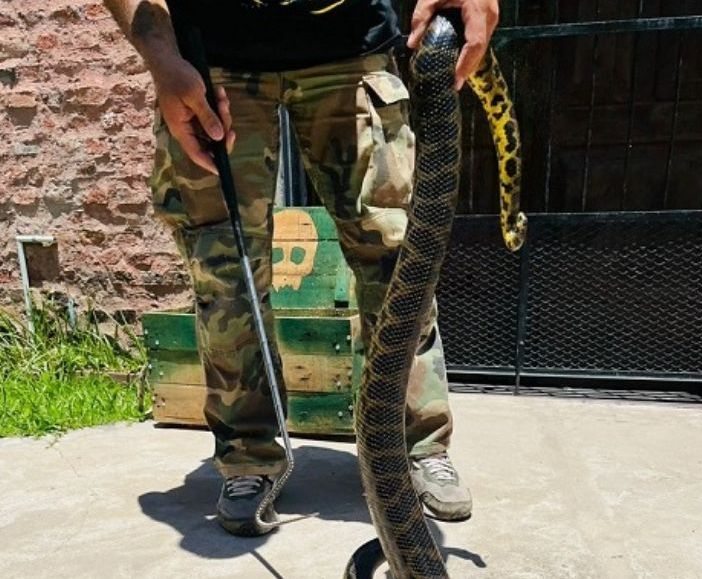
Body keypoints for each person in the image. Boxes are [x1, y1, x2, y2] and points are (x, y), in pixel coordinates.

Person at [104, 0, 499, 536]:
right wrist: (159, 56)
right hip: (213, 60)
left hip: (350, 48)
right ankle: (249, 456)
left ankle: (415, 447)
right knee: (226, 273)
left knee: (394, 262)